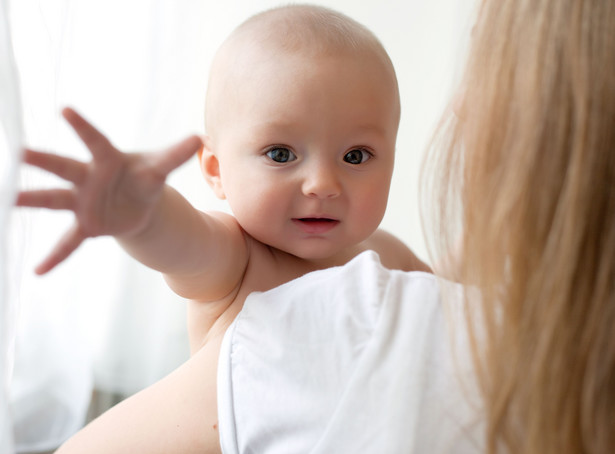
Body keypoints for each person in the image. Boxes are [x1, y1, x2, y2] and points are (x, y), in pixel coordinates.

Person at [16, 4, 429, 453]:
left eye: (355, 156)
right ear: (215, 170)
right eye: (281, 154)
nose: (322, 185)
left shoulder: (390, 258)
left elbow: (464, 318)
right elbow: (183, 242)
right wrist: (142, 216)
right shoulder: (238, 257)